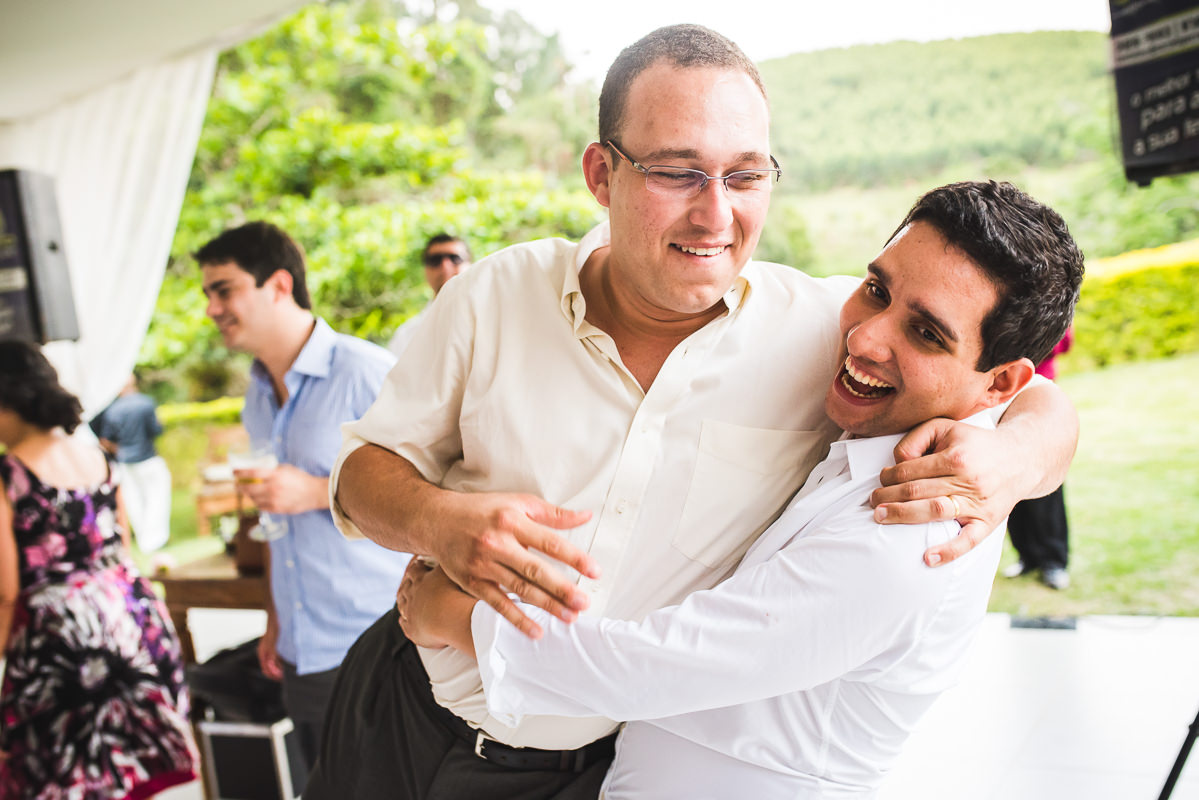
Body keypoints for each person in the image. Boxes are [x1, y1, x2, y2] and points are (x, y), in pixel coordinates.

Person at [306, 25, 1079, 800]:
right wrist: (439, 521)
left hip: (583, 773)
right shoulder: (493, 295)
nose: (715, 216)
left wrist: (1011, 460)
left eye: (744, 176)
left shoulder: (830, 335)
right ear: (600, 173)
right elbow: (360, 474)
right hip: (399, 709)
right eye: (678, 172)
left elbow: (1028, 393)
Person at [194, 220, 412, 779]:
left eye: (225, 289)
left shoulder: (365, 372)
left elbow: (430, 490)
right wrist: (275, 619)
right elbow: (275, 520)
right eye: (208, 294)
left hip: (379, 636)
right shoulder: (257, 396)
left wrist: (317, 491)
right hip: (301, 646)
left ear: (279, 285)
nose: (213, 308)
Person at [0, 341, 198, 798]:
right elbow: (121, 549)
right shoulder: (95, 458)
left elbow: (8, 592)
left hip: (63, 644)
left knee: (66, 779)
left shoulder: (11, 474)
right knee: (127, 776)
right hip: (129, 621)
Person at [1004, 328, 1074, 589]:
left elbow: (1064, 343)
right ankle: (1027, 556)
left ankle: (1054, 562)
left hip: (1038, 401)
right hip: (1003, 399)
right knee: (1011, 483)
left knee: (1045, 486)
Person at [91, 372, 173, 552]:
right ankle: (156, 539)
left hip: (125, 462)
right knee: (157, 497)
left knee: (134, 501)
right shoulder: (146, 403)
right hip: (148, 457)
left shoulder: (112, 410)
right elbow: (156, 430)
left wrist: (118, 449)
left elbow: (105, 440)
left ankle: (145, 540)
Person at [387, 233, 473, 358]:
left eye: (455, 258)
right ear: (425, 270)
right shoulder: (406, 335)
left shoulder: (493, 321)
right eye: (435, 260)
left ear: (471, 265)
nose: (445, 266)